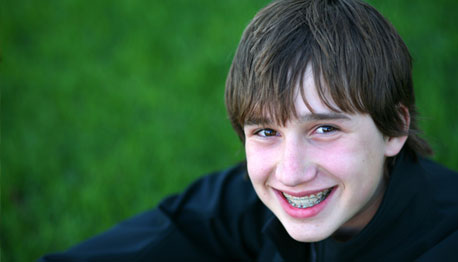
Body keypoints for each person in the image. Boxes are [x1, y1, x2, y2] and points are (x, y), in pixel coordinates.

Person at [40, 0, 458, 261]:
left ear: (395, 129)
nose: (291, 173)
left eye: (326, 128)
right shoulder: (253, 202)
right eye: (266, 132)